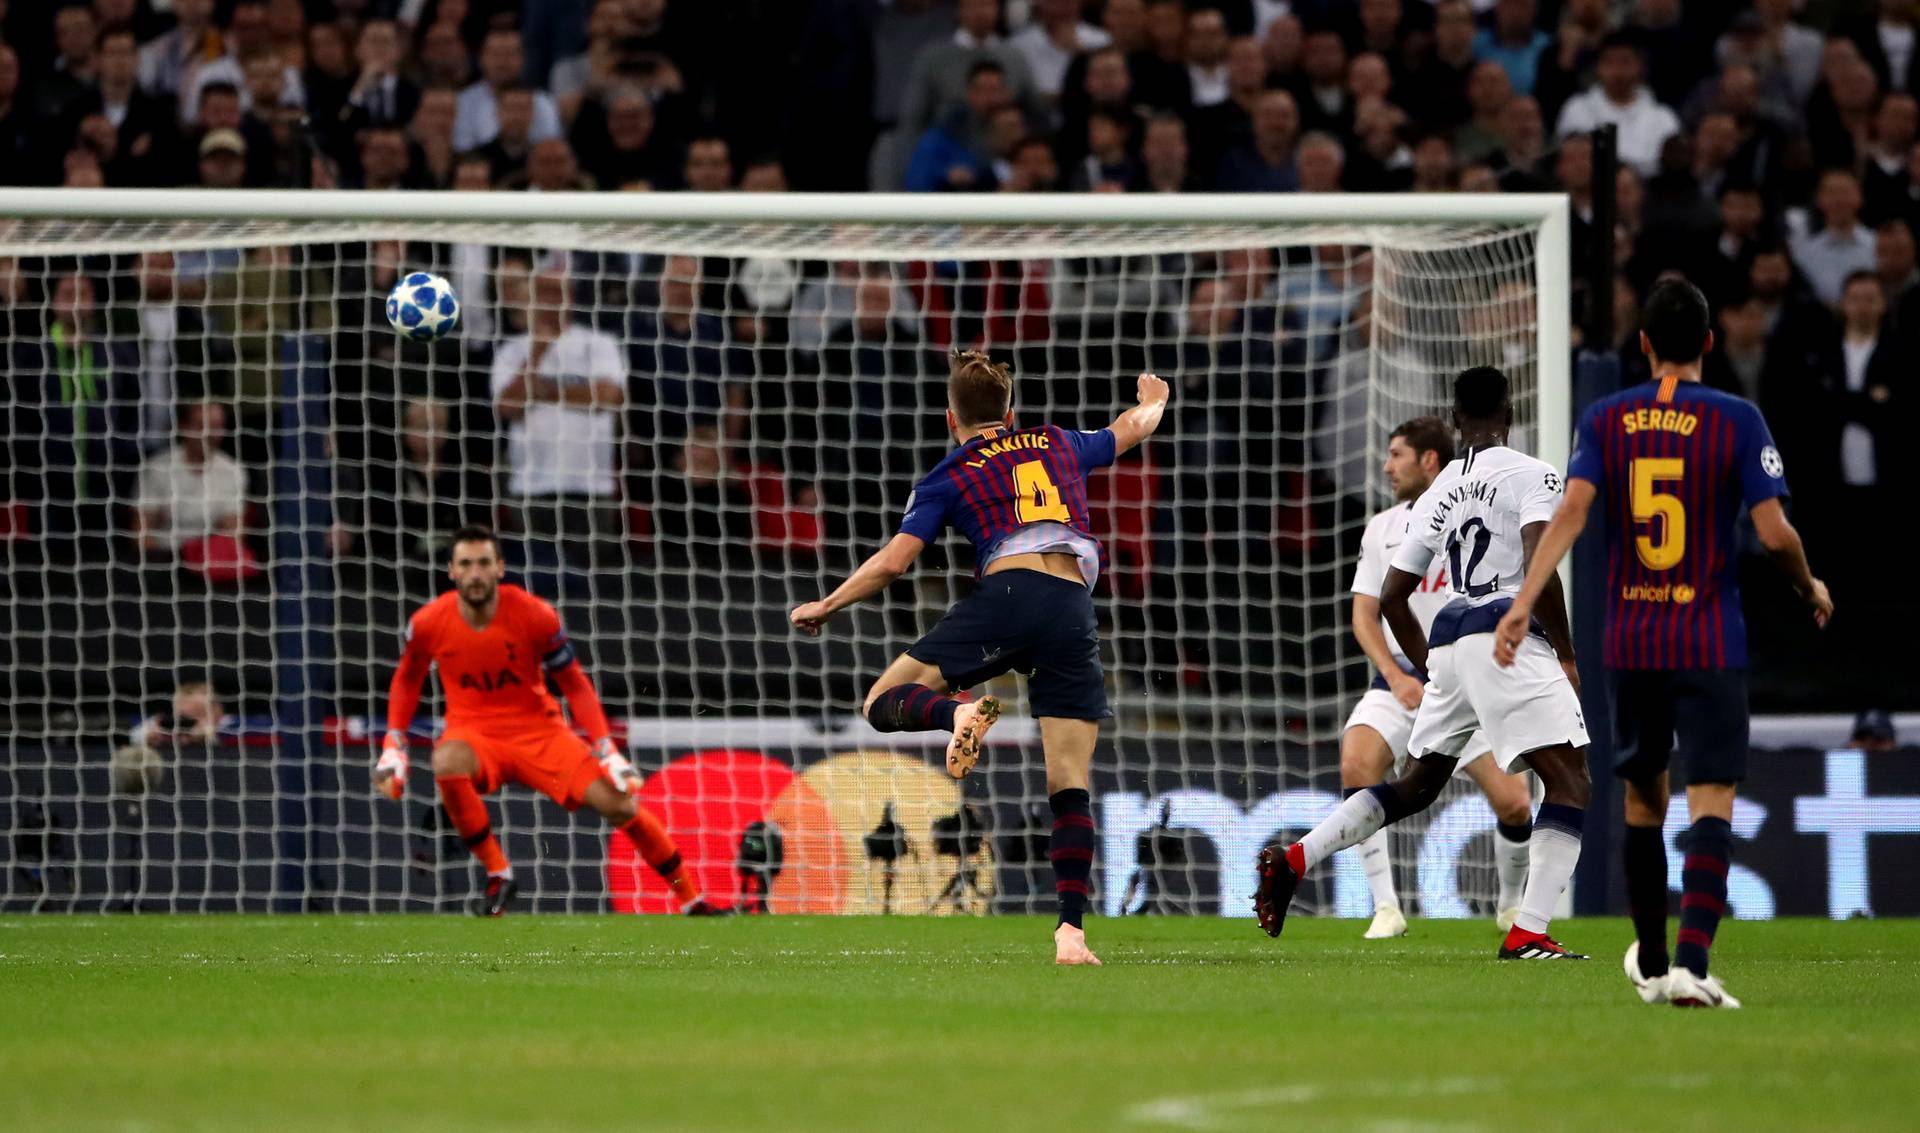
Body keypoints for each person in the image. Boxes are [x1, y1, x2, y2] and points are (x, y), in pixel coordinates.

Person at [1495, 279, 1833, 1008]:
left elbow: (1572, 514)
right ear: (1710, 342)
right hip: (1710, 641)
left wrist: (1525, 604)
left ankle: (1650, 960)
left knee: (1643, 804)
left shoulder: (1607, 416)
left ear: (1642, 344)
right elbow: (1774, 535)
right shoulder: (1737, 417)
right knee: (1711, 799)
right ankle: (1691, 962)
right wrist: (1809, 588)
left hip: (1633, 640)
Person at [789, 354, 1169, 966]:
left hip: (1009, 595)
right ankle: (1071, 935)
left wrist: (827, 604)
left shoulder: (949, 471)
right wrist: (1155, 397)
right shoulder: (1056, 441)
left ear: (951, 419)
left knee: (881, 701)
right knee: (1069, 785)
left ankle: (956, 716)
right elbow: (1132, 427)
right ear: (1010, 414)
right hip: (1073, 607)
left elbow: (893, 563)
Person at [1256, 366, 1592, 961]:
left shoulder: (1437, 492)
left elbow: (1391, 598)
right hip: (1506, 640)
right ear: (1509, 415)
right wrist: (1565, 654)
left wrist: (1433, 667)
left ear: (1457, 421)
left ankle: (1296, 858)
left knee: (1415, 786)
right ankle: (1528, 930)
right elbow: (1541, 569)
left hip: (1452, 641)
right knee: (1569, 782)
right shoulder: (1534, 473)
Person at [375, 526, 727, 916]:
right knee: (445, 761)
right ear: (452, 572)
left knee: (621, 807)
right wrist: (394, 740)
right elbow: (407, 678)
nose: (475, 573)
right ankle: (499, 872)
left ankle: (691, 899)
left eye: (484, 563)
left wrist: (605, 746)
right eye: (466, 564)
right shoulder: (428, 622)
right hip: (474, 736)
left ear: (500, 568)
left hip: (540, 733)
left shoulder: (534, 614)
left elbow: (574, 683)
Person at [1341, 417, 1537, 940]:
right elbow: (1365, 615)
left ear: (1430, 461)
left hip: (1464, 685)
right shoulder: (1382, 527)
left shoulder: (1480, 518)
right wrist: (1393, 672)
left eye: (1397, 455)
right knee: (1357, 762)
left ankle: (1511, 907)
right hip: (1401, 681)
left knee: (1516, 803)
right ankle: (1386, 908)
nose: (1387, 466)